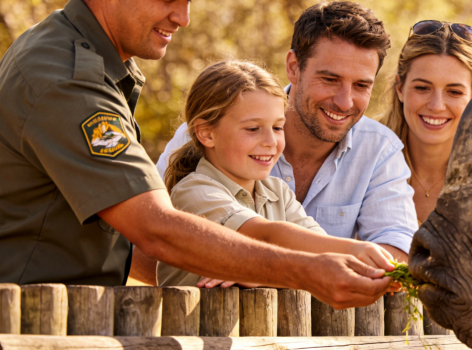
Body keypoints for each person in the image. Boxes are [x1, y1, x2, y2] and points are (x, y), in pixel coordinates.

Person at [0, 0, 394, 309]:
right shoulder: (67, 75)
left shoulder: (84, 56)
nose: (183, 18)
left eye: (189, 0)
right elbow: (155, 229)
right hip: (18, 327)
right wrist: (305, 272)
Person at [155, 1, 418, 280]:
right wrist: (273, 270)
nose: (345, 101)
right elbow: (269, 235)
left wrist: (259, 272)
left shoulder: (278, 189)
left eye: (361, 85)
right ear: (294, 67)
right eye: (330, 79)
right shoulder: (198, 174)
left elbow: (392, 247)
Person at [158, 59, 395, 287]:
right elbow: (264, 237)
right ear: (206, 133)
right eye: (253, 129)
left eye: (277, 127)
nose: (271, 141)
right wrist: (356, 250)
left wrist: (263, 275)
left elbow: (318, 246)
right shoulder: (194, 191)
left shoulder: (277, 192)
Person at [378, 20, 472, 224]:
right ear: (400, 88)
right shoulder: (365, 158)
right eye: (422, 88)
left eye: (454, 92)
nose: (436, 106)